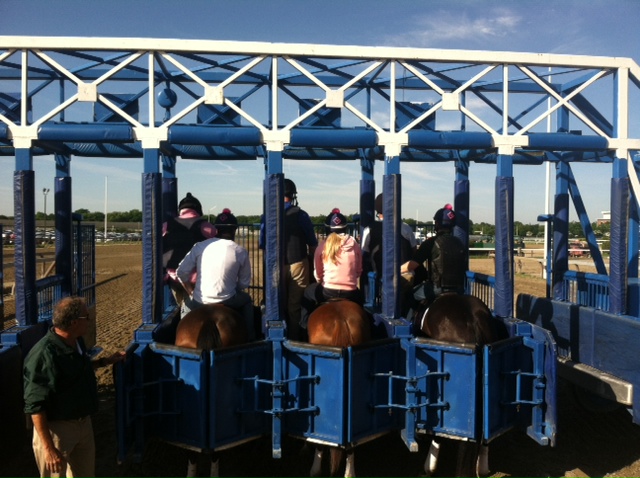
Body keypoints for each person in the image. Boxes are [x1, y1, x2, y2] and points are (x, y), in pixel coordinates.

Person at [23, 296, 126, 478]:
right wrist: (48, 448)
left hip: (83, 425)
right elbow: (35, 406)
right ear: (73, 322)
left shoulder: (75, 341)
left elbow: (78, 368)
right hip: (57, 432)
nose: (90, 320)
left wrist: (105, 361)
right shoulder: (43, 355)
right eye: (86, 317)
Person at [176, 208, 255, 340]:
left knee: (185, 307)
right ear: (234, 230)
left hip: (200, 300)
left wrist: (190, 290)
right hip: (228, 299)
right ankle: (251, 337)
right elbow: (244, 283)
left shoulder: (200, 246)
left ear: (216, 229)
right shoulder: (240, 251)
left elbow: (181, 272)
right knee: (247, 301)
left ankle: (177, 339)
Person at [260, 178, 318, 341]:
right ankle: (295, 338)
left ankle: (276, 337)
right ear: (292, 196)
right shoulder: (302, 215)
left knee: (276, 304)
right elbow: (313, 244)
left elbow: (263, 246)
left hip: (275, 265)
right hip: (298, 263)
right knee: (295, 306)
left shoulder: (267, 216)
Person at [300, 211, 363, 332]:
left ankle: (303, 326)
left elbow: (318, 274)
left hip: (327, 292)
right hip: (350, 292)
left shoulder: (323, 245)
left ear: (329, 228)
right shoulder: (354, 244)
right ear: (345, 227)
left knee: (308, 292)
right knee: (364, 306)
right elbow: (359, 271)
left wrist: (321, 281)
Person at [402, 204, 467, 317]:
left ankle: (408, 328)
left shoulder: (430, 242)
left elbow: (412, 265)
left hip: (437, 289)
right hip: (459, 289)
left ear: (437, 224)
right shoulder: (459, 243)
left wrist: (395, 270)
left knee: (409, 295)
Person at [162, 192, 217, 307]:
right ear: (198, 209)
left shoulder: (166, 225)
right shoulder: (206, 225)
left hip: (173, 278)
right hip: (198, 278)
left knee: (183, 305)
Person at [360, 193, 417, 303]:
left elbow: (364, 254)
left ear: (378, 212)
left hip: (381, 280)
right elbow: (414, 251)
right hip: (406, 278)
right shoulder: (406, 228)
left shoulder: (369, 230)